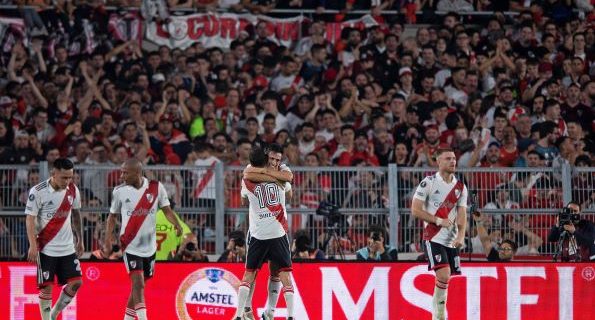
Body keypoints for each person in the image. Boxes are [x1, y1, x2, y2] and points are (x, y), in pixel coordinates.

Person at [104, 158, 183, 320]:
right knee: (138, 283)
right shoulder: (119, 191)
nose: (121, 176)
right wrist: (108, 239)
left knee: (140, 284)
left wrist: (177, 224)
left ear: (137, 173)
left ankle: (127, 318)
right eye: (121, 172)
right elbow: (111, 217)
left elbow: (167, 210)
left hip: (150, 247)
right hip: (130, 244)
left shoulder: (156, 187)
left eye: (125, 173)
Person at [233, 146, 294, 320]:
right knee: (254, 272)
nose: (275, 163)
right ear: (266, 158)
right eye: (272, 159)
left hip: (268, 231)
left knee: (270, 272)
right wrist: (275, 180)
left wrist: (265, 176)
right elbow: (289, 191)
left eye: (278, 160)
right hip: (262, 231)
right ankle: (247, 309)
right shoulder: (276, 174)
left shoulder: (280, 170)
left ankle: (269, 313)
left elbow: (245, 196)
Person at [411, 148, 468, 320]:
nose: (453, 162)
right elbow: (415, 210)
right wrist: (437, 220)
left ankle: (437, 315)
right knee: (444, 274)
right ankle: (440, 316)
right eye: (448, 158)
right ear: (438, 161)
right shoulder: (428, 183)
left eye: (454, 159)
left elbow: (462, 213)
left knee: (446, 278)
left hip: (451, 240)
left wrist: (461, 235)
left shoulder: (460, 187)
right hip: (433, 237)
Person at [25, 158, 84, 320]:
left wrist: (80, 239)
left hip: (67, 248)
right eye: (64, 177)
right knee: (46, 288)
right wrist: (32, 245)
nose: (67, 181)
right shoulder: (38, 191)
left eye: (70, 177)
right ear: (53, 173)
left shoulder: (73, 190)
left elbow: (77, 215)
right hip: (46, 248)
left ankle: (54, 313)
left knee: (77, 282)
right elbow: (30, 219)